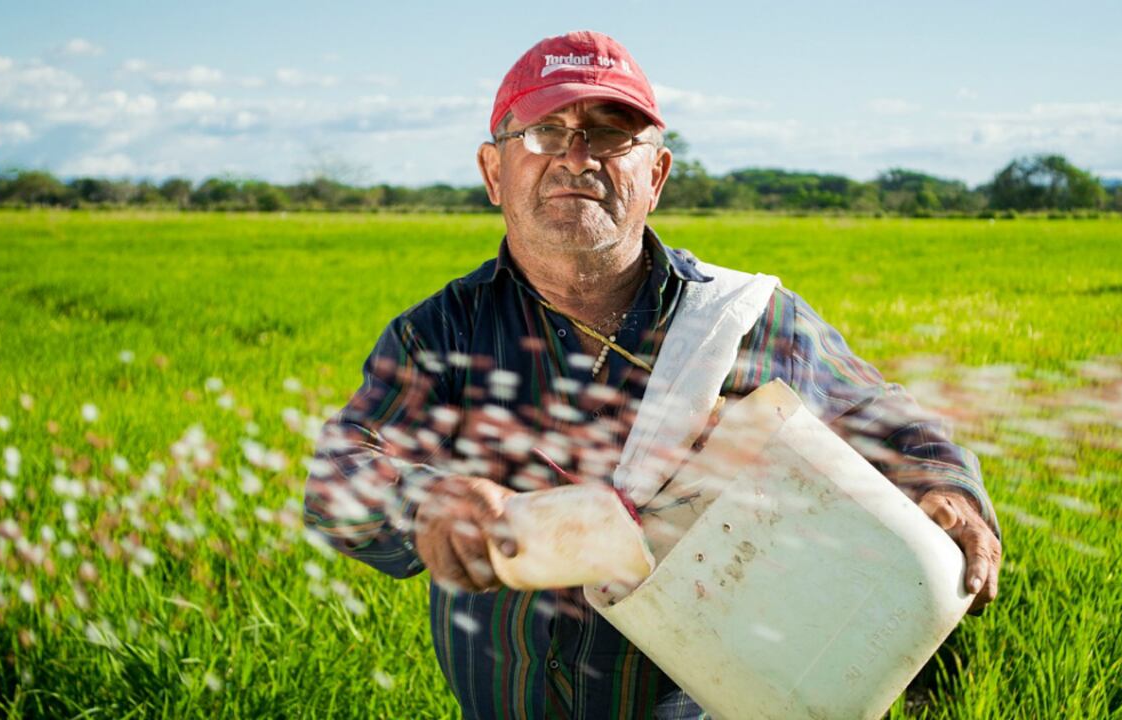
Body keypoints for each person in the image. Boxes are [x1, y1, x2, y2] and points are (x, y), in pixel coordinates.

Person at [304, 30, 1002, 719]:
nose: (577, 158)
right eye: (546, 132)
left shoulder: (741, 320)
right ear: (494, 172)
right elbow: (339, 476)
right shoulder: (441, 333)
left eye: (610, 135)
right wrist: (423, 503)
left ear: (657, 176)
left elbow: (886, 419)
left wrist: (945, 486)